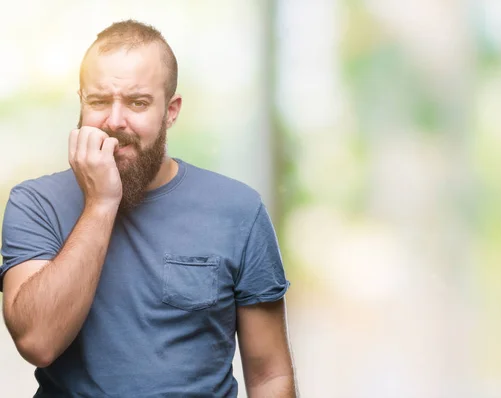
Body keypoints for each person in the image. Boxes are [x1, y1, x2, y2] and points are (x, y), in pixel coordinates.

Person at [0, 20, 297, 397]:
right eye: (99, 101)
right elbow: (37, 342)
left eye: (137, 102)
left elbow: (271, 375)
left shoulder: (239, 210)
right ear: (81, 102)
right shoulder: (35, 203)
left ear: (170, 111)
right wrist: (100, 203)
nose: (115, 121)